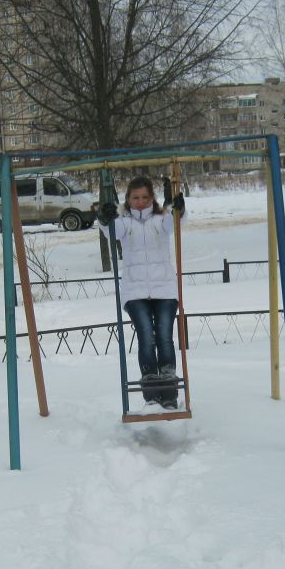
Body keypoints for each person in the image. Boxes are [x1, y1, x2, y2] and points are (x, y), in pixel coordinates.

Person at [98, 176, 186, 410]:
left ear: (151, 199)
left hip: (164, 289)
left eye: (145, 197)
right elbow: (113, 232)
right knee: (147, 336)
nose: (140, 202)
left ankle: (169, 394)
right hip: (135, 291)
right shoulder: (124, 221)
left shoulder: (160, 219)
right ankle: (151, 395)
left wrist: (175, 207)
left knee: (165, 338)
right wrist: (105, 219)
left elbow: (174, 224)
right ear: (127, 199)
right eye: (135, 198)